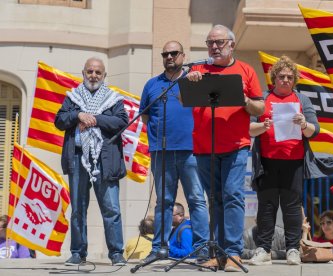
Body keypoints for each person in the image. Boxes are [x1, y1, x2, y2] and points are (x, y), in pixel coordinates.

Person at [186, 24, 264, 272]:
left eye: (219, 42)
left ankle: (232, 253)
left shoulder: (246, 70)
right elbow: (181, 99)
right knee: (214, 200)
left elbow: (260, 109)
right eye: (210, 43)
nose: (214, 47)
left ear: (232, 45)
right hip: (203, 147)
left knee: (232, 197)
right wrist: (189, 82)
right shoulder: (198, 69)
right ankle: (217, 253)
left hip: (235, 146)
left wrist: (245, 101)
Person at [138, 41, 209, 264]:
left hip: (191, 150)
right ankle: (159, 247)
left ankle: (202, 248)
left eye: (174, 53)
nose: (169, 57)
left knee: (196, 199)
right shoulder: (152, 85)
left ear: (182, 55)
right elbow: (145, 117)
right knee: (163, 201)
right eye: (165, 53)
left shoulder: (193, 80)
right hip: (162, 151)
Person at [54, 57, 128, 266]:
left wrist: (94, 118)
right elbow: (59, 120)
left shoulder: (114, 98)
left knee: (111, 208)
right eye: (90, 72)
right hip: (78, 158)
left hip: (105, 160)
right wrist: (78, 114)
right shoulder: (73, 98)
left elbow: (122, 121)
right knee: (78, 208)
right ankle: (78, 252)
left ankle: (116, 253)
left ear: (104, 76)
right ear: (83, 73)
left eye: (98, 72)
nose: (93, 76)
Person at [249, 55, 319, 266]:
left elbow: (314, 132)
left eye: (290, 77)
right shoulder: (262, 99)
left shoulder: (302, 100)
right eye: (281, 76)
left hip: (294, 162)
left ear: (294, 80)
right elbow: (249, 128)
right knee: (266, 207)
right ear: (274, 79)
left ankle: (293, 250)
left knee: (291, 207)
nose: (286, 80)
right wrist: (264, 126)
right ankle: (263, 250)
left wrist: (304, 123)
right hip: (267, 162)